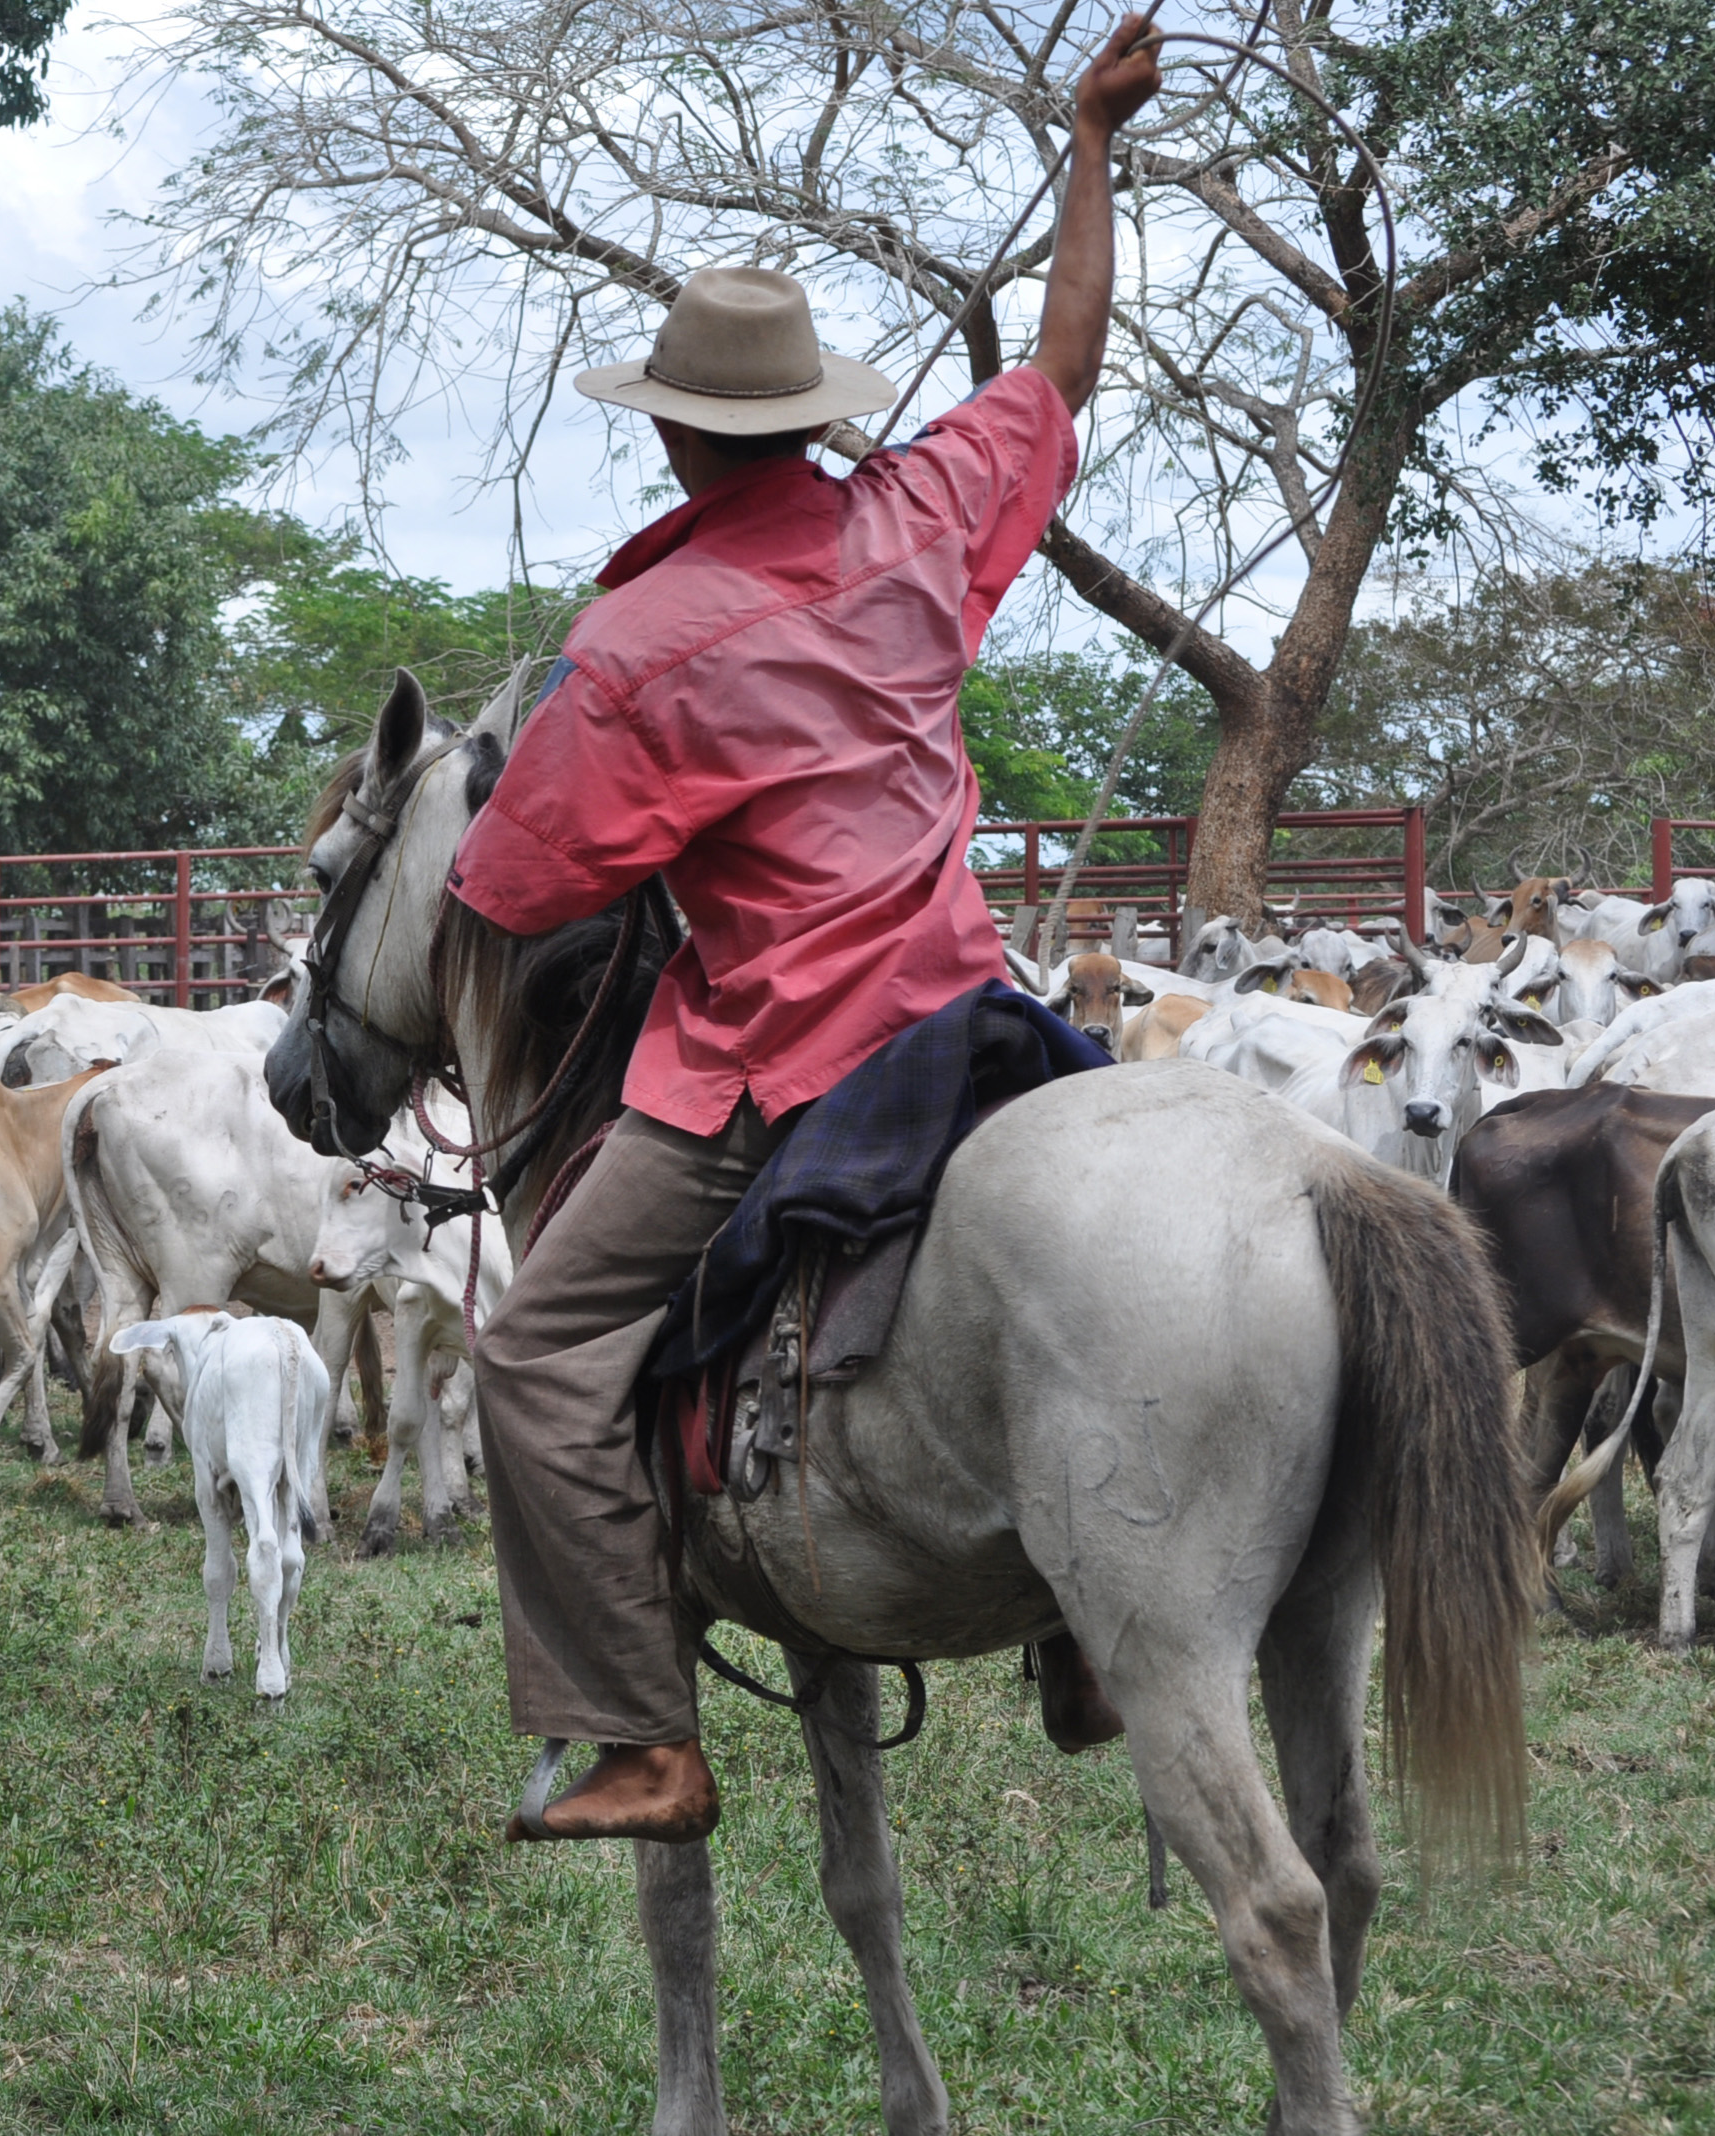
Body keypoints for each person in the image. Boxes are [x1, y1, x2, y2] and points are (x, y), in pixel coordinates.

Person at [457, 15, 1166, 1845]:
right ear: (815, 415)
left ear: (679, 428)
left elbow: (517, 893)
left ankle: (639, 1735)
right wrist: (1090, 139)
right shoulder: (927, 514)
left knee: (534, 1353)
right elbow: (1070, 359)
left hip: (775, 1069)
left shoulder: (633, 650)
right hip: (971, 1025)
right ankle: (1091, 1624)